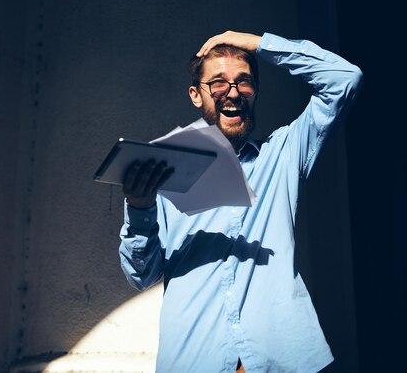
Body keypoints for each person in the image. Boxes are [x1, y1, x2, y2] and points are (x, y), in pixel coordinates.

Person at [119, 30, 363, 372]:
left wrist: (255, 43)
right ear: (195, 95)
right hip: (194, 358)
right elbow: (140, 276)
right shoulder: (163, 172)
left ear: (254, 92)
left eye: (243, 82)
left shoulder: (284, 153)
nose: (231, 93)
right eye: (217, 83)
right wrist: (140, 208)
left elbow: (344, 79)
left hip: (280, 359)